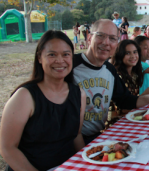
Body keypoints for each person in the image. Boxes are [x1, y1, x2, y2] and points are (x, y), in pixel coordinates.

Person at [0, 30, 86, 171]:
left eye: (66, 54)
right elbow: (8, 148)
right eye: (52, 55)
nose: (60, 60)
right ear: (39, 58)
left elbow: (76, 135)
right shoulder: (24, 96)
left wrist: (87, 162)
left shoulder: (79, 94)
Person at [73, 19, 149, 145]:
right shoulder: (70, 66)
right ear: (89, 37)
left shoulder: (109, 69)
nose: (106, 43)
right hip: (71, 140)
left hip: (98, 136)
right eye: (100, 35)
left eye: (112, 38)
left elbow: (125, 100)